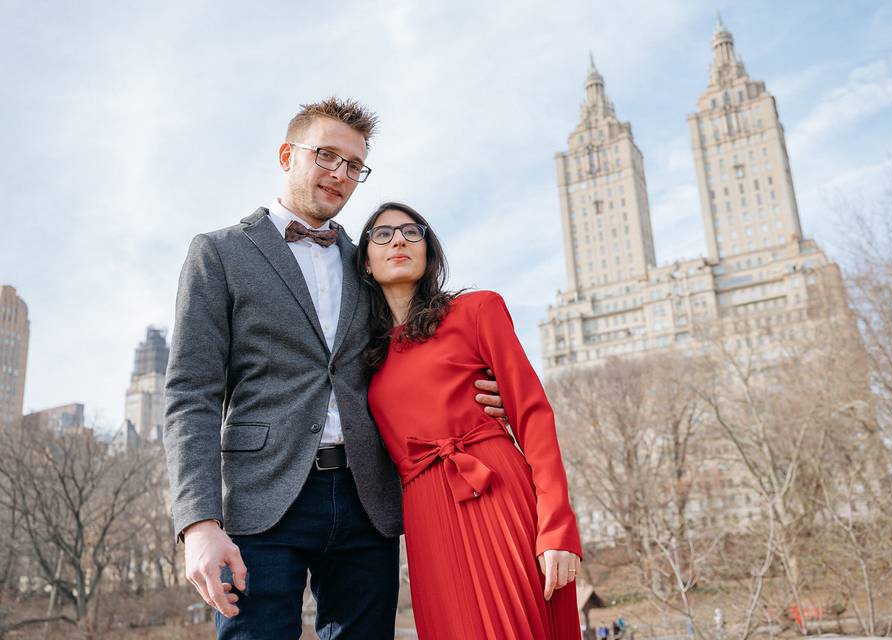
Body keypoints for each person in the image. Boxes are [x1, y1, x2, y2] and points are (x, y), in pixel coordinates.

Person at [163, 99, 504, 639]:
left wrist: (481, 393)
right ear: (286, 155)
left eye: (354, 166)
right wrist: (198, 522)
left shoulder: (368, 259)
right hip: (261, 500)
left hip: (368, 496)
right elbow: (190, 394)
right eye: (327, 156)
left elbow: (417, 351)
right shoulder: (219, 253)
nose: (340, 174)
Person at [359, 202, 583, 639]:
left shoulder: (478, 311)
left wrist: (557, 529)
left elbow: (533, 415)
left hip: (497, 493)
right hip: (427, 523)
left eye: (411, 231)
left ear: (430, 253)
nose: (398, 240)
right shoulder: (365, 356)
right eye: (381, 235)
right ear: (365, 263)